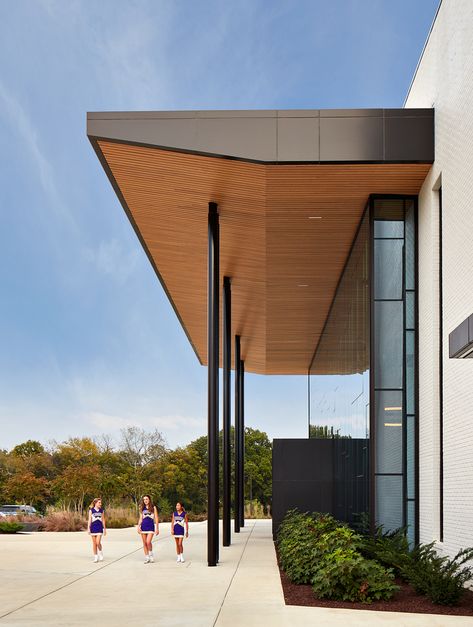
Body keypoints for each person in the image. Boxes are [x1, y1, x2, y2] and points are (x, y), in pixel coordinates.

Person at [137, 495, 159, 563]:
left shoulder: (153, 507)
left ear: (149, 499)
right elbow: (141, 518)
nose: (145, 500)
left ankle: (151, 555)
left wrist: (157, 528)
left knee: (148, 542)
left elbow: (156, 518)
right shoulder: (141, 508)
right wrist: (138, 526)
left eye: (146, 499)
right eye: (144, 499)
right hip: (143, 526)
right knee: (144, 543)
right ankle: (147, 557)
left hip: (150, 526)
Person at [87, 497, 106, 563]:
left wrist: (105, 529)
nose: (100, 504)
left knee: (98, 542)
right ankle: (95, 556)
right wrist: (88, 528)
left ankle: (100, 553)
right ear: (95, 503)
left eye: (101, 503)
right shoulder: (91, 510)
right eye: (99, 502)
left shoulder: (102, 510)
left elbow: (103, 520)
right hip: (93, 528)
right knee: (94, 543)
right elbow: (89, 520)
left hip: (99, 528)